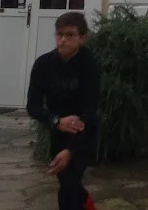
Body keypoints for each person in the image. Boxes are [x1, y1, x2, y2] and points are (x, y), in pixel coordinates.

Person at [26, 11, 100, 210]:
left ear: (82, 38)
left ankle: (83, 203)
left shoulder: (90, 66)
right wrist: (57, 121)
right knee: (69, 184)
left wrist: (71, 150)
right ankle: (86, 203)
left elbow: (90, 112)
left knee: (68, 187)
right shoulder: (43, 65)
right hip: (57, 132)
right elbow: (32, 106)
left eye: (69, 35)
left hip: (83, 133)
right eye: (59, 34)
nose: (62, 40)